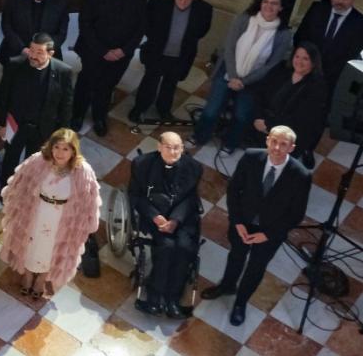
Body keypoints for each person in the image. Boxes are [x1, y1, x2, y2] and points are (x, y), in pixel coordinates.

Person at [204, 127, 311, 326]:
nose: (277, 148)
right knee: (236, 255)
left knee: (256, 267)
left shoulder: (301, 175)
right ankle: (227, 285)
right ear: (268, 140)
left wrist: (268, 234)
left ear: (292, 148)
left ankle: (240, 303)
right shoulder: (251, 157)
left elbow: (295, 214)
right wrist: (237, 221)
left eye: (283, 144)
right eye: (274, 141)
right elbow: (234, 189)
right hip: (243, 223)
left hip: (270, 232)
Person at [0, 128, 101, 299]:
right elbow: (21, 182)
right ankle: (28, 274)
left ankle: (42, 279)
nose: (59, 153)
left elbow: (89, 200)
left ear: (73, 151)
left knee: (52, 249)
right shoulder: (38, 160)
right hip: (37, 212)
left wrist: (85, 223)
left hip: (62, 218)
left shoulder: (83, 171)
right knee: (31, 243)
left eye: (65, 149)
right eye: (57, 147)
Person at [191, 0, 292, 152]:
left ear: (281, 8)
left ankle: (230, 143)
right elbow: (229, 47)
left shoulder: (284, 34)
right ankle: (199, 137)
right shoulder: (244, 19)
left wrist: (243, 82)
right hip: (229, 72)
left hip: (254, 82)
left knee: (242, 116)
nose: (269, 6)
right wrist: (233, 76)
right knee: (211, 110)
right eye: (265, 1)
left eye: (274, 4)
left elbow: (271, 65)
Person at [123, 130, 204, 317]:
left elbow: (191, 197)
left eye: (177, 148)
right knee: (166, 246)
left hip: (182, 217)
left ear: (183, 149)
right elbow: (135, 195)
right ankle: (154, 297)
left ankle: (172, 299)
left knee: (184, 248)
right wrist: (155, 216)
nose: (173, 152)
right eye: (168, 147)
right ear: (159, 147)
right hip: (155, 217)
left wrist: (176, 219)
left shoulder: (194, 167)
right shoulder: (141, 164)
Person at [72, 0, 147, 136]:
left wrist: (124, 50)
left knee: (107, 86)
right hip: (93, 50)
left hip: (121, 54)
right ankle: (77, 115)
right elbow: (86, 25)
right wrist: (103, 51)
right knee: (86, 83)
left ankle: (99, 117)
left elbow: (141, 26)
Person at [0, 32, 75, 186]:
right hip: (16, 125)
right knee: (10, 157)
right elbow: (3, 96)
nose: (33, 55)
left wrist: (63, 134)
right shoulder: (15, 65)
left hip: (43, 128)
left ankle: (28, 187)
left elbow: (66, 104)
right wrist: (0, 124)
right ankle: (4, 186)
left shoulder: (63, 72)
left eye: (39, 52)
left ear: (51, 53)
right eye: (32, 50)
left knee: (36, 161)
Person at [131, 0, 214, 123]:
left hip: (180, 56)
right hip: (157, 52)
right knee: (149, 83)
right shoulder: (158, 3)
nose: (182, 1)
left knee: (170, 85)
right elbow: (146, 24)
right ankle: (139, 108)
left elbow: (202, 31)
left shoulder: (204, 10)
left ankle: (163, 109)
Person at [253, 44, 329, 169]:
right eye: (297, 56)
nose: (299, 61)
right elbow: (260, 93)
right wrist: (258, 118)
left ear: (314, 63)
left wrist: (269, 125)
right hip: (263, 122)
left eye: (305, 58)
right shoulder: (282, 69)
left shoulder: (318, 87)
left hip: (287, 134)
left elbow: (300, 119)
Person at [294, 0, 363, 92]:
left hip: (329, 82)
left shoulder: (359, 23)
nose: (340, 1)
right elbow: (300, 37)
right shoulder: (317, 9)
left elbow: (351, 55)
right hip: (302, 70)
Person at [0, 0, 69, 65]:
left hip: (47, 54)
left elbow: (61, 33)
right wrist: (22, 49)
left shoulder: (60, 3)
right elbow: (7, 26)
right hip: (16, 50)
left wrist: (44, 50)